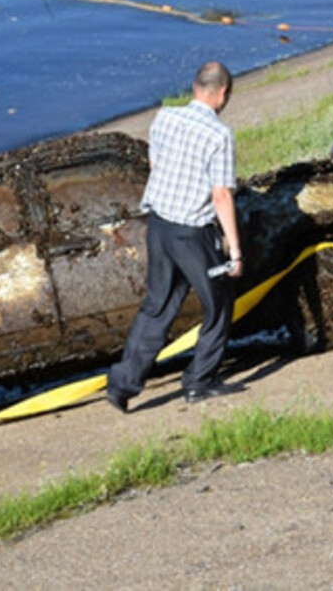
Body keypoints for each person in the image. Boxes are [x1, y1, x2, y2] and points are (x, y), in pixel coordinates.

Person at [106, 61, 245, 412]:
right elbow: (221, 196)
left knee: (157, 307)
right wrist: (236, 252)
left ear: (195, 86)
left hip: (158, 226)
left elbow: (156, 164)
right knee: (219, 304)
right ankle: (199, 381)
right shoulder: (219, 135)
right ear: (223, 93)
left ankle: (122, 385)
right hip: (192, 234)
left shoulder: (165, 117)